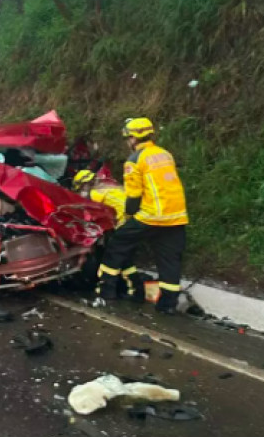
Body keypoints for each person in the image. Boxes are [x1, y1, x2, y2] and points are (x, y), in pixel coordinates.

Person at [95, 117, 189, 314]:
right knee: (169, 260)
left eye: (128, 138)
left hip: (151, 216)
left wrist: (129, 216)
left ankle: (107, 291)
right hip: (176, 216)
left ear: (133, 138)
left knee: (117, 243)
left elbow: (134, 196)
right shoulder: (165, 154)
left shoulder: (134, 160)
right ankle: (167, 306)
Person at [73, 169, 145, 300]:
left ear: (84, 185)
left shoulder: (95, 194)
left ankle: (107, 293)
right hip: (140, 222)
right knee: (125, 259)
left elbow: (88, 213)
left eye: (80, 188)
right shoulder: (110, 187)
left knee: (111, 257)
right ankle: (136, 290)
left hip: (126, 225)